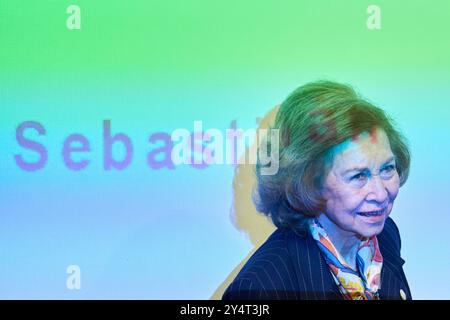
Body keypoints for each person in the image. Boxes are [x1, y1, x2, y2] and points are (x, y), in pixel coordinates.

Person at [222, 80, 412, 300]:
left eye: (388, 168)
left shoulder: (385, 235)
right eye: (358, 176)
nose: (380, 194)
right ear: (309, 183)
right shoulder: (259, 288)